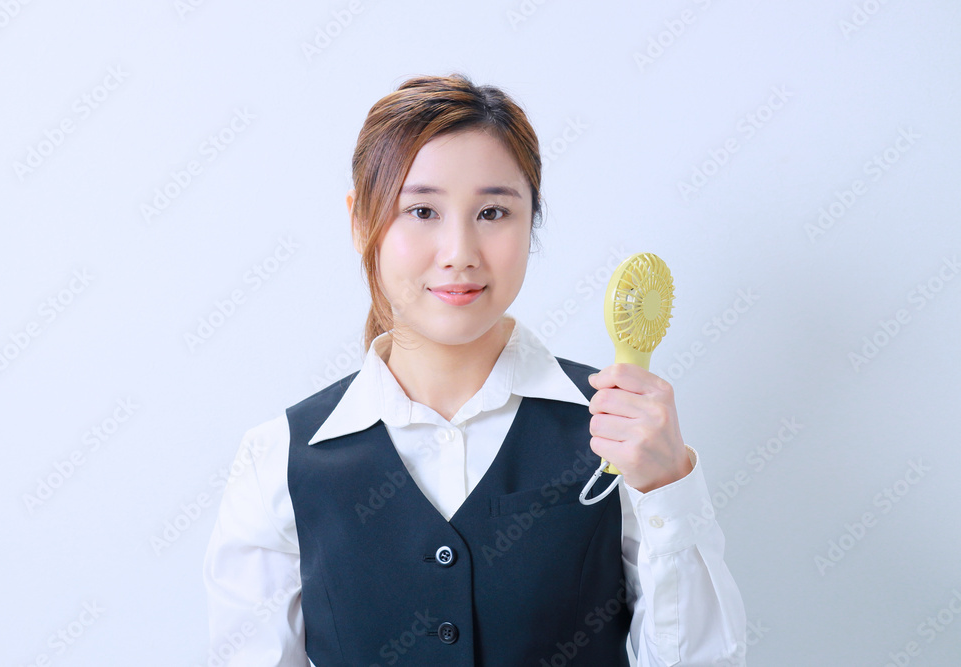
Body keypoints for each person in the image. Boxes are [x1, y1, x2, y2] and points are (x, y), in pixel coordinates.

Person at [203, 72, 746, 666]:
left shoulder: (623, 438)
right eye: (421, 210)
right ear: (361, 222)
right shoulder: (277, 459)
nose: (459, 252)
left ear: (532, 220)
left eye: (492, 212)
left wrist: (669, 487)